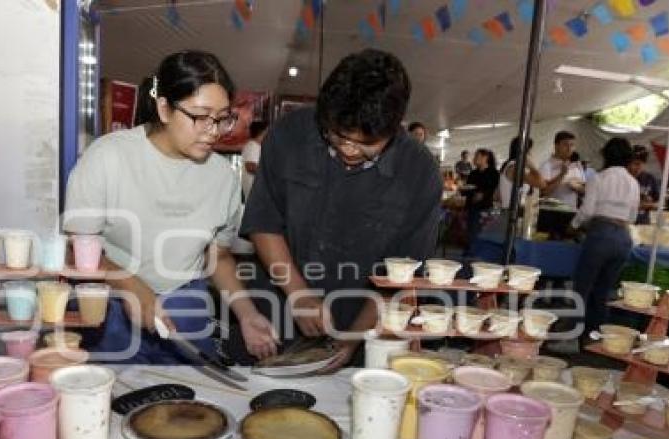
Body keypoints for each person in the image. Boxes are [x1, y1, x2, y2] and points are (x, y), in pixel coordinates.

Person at [62, 50, 278, 364]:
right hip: (110, 303)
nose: (213, 131)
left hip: (187, 303)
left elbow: (217, 256)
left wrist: (247, 313)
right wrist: (130, 284)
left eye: (222, 118)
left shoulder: (222, 177)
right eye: (201, 116)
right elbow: (75, 249)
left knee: (190, 403)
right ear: (164, 108)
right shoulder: (109, 157)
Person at [239, 48, 441, 369]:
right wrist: (298, 294)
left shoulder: (419, 173)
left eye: (365, 145)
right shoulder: (290, 134)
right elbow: (264, 221)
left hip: (359, 323)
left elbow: (402, 274)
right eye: (336, 136)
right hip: (275, 311)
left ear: (394, 127)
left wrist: (348, 342)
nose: (348, 149)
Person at [571, 137, 639, 337]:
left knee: (582, 287)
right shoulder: (633, 182)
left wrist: (573, 225)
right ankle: (595, 337)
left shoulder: (598, 178)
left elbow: (587, 211)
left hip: (601, 234)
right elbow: (632, 217)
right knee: (604, 290)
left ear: (606, 155)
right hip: (624, 238)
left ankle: (571, 336)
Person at [538, 131, 586, 208]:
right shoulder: (546, 166)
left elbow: (584, 189)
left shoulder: (577, 165)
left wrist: (577, 187)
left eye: (572, 145)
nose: (569, 148)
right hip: (551, 211)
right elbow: (543, 192)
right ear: (556, 146)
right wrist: (561, 175)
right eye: (565, 145)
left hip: (571, 211)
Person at [464, 149, 498, 252]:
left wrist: (482, 194)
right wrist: (464, 190)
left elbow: (493, 190)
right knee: (471, 233)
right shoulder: (473, 173)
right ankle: (470, 253)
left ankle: (474, 253)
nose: (474, 159)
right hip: (471, 207)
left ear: (485, 158)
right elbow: (467, 189)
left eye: (477, 156)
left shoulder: (493, 173)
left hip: (485, 208)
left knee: (480, 234)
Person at [498, 136, 545, 209]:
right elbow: (541, 184)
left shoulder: (511, 165)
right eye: (530, 150)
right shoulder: (515, 167)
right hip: (511, 213)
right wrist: (532, 166)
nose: (532, 153)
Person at [628, 145, 660, 219]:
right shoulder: (624, 178)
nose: (633, 167)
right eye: (631, 164)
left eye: (638, 164)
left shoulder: (650, 179)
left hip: (643, 222)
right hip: (625, 222)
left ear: (644, 164)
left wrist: (650, 204)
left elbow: (659, 203)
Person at [240, 120, 269, 200]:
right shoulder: (253, 146)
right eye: (268, 131)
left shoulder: (256, 146)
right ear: (263, 132)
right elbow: (250, 167)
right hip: (255, 192)